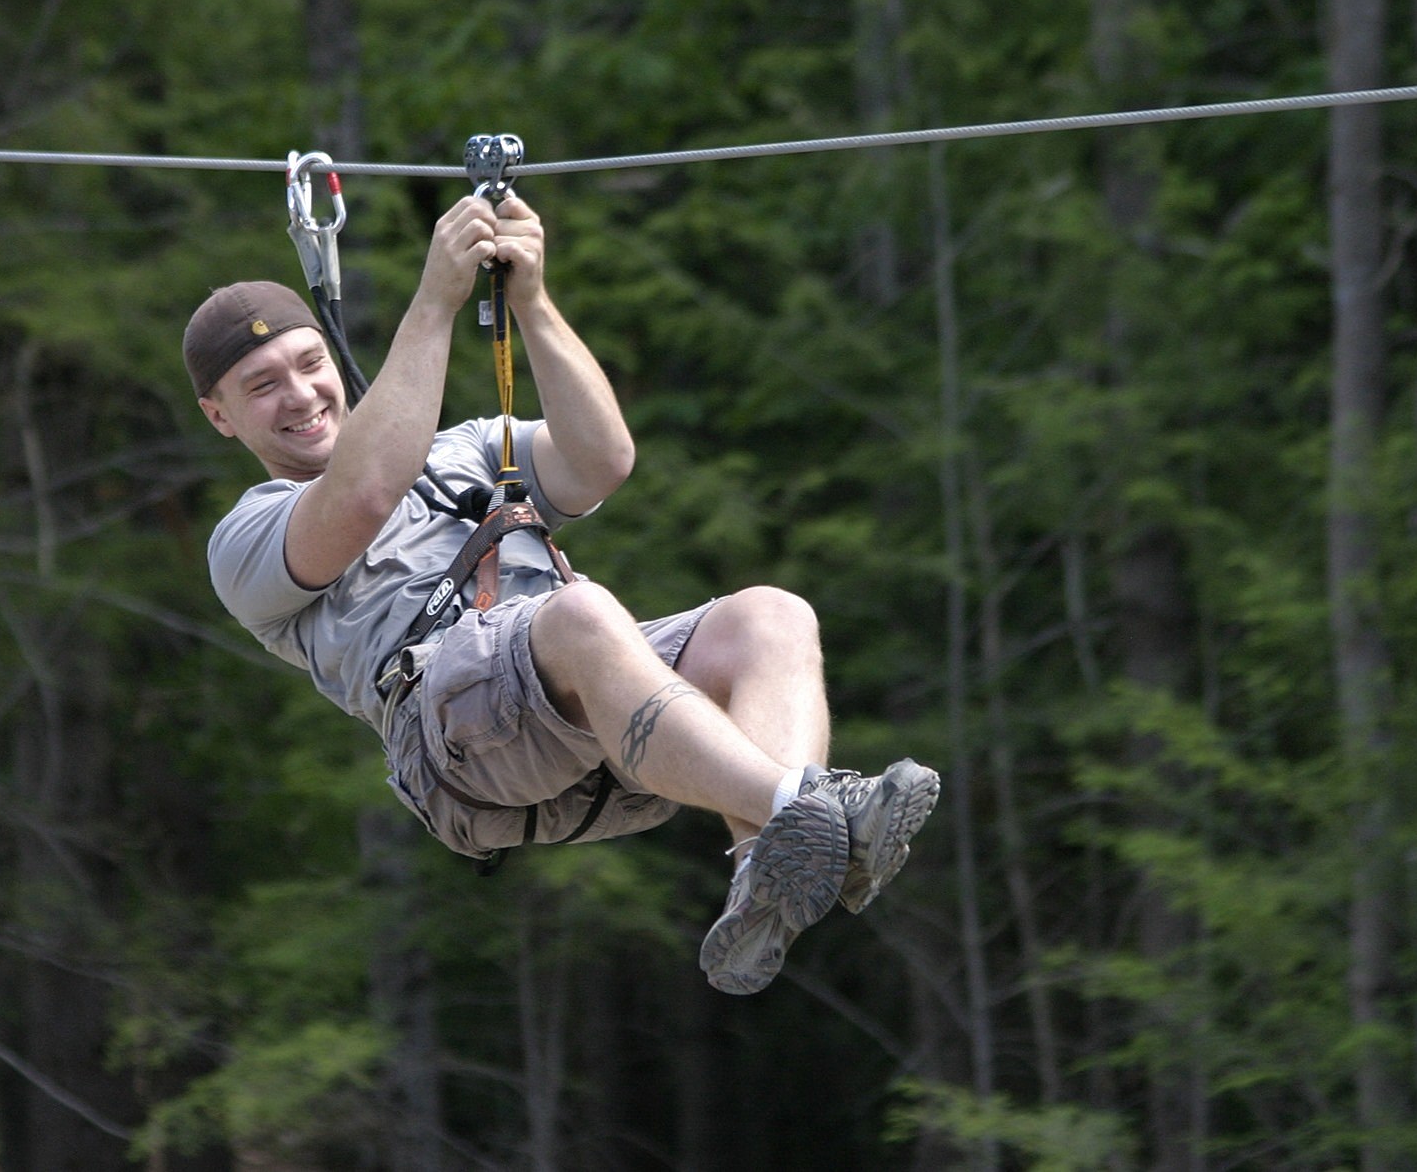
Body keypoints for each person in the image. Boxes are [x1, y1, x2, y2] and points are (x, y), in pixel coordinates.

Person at [186, 192, 939, 994]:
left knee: (771, 616)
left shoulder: (465, 450)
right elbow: (366, 490)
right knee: (579, 613)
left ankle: (769, 867)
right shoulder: (246, 539)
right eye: (262, 385)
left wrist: (533, 303)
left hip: (601, 725)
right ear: (219, 417)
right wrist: (436, 298)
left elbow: (601, 459)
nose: (301, 395)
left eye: (309, 365)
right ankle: (813, 808)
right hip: (457, 746)